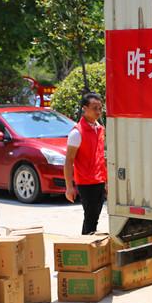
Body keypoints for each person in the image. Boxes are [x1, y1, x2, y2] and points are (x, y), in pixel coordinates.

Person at [64, 92, 107, 234]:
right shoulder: (77, 133)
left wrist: (106, 181)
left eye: (100, 108)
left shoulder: (100, 129)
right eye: (95, 108)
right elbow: (69, 161)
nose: (98, 112)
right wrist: (69, 187)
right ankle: (86, 243)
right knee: (90, 217)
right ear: (84, 109)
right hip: (86, 182)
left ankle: (88, 242)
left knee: (94, 217)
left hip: (99, 180)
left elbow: (101, 157)